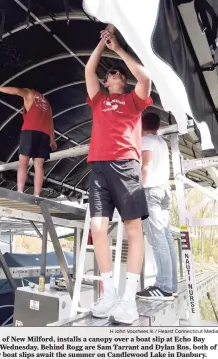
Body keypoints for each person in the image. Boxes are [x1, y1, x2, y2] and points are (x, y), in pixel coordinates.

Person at [85, 24, 152, 325]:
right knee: (98, 228)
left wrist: (119, 49)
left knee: (133, 231)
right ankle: (110, 291)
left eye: (119, 74)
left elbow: (145, 77)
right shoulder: (98, 100)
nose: (114, 75)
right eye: (110, 73)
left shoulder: (133, 101)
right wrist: (102, 44)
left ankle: (129, 300)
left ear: (124, 82)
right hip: (98, 166)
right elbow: (89, 70)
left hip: (126, 165)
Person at [0, 83, 57, 196]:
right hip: (44, 134)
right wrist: (52, 139)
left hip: (30, 131)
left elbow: (15, 90)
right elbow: (50, 121)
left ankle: (20, 192)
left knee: (23, 163)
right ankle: (36, 194)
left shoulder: (29, 92)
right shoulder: (47, 103)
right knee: (39, 165)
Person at [136, 112, 178, 301]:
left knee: (157, 237)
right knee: (166, 236)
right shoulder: (162, 142)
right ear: (159, 126)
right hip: (164, 191)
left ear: (141, 126)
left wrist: (138, 189)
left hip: (150, 190)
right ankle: (171, 285)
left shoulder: (146, 141)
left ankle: (163, 287)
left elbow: (146, 165)